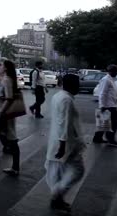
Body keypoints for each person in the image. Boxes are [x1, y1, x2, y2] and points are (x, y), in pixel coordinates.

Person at [45, 74, 86, 212]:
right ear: (71, 85)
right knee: (78, 171)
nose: (79, 87)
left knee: (60, 172)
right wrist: (63, 146)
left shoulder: (58, 96)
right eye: (77, 84)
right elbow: (63, 123)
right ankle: (57, 193)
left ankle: (58, 199)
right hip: (66, 143)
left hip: (61, 141)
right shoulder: (66, 100)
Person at [94, 64, 117, 145]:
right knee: (114, 122)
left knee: (104, 122)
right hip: (108, 105)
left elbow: (115, 92)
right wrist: (102, 105)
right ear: (111, 71)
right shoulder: (106, 80)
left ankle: (97, 138)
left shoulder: (110, 79)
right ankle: (110, 138)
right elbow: (102, 93)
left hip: (111, 104)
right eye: (116, 71)